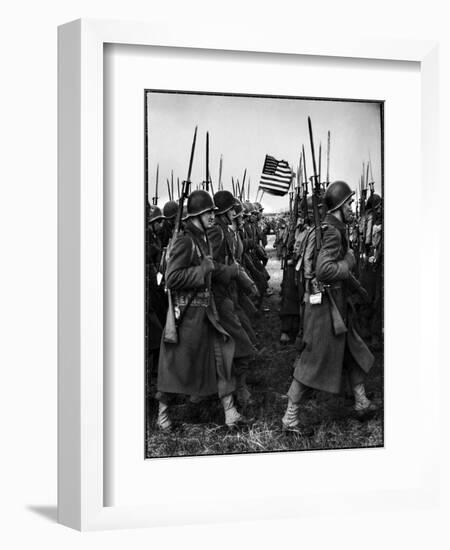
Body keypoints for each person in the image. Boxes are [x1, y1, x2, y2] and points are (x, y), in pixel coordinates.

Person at [282, 180, 376, 432]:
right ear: (341, 206)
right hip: (326, 309)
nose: (352, 208)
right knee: (313, 361)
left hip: (335, 304)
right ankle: (290, 418)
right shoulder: (332, 231)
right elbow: (325, 270)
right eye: (349, 204)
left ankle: (361, 401)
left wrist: (356, 286)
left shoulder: (330, 228)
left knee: (351, 351)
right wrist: (348, 262)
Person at [155, 190, 245, 431]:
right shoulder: (185, 241)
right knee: (176, 367)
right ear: (196, 215)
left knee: (221, 357)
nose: (212, 216)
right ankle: (162, 416)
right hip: (187, 317)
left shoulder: (202, 238)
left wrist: (223, 271)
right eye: (208, 212)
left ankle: (231, 413)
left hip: (206, 313)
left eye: (213, 212)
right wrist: (202, 270)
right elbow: (172, 278)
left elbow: (210, 268)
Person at [208, 190, 257, 406]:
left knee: (239, 343)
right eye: (232, 211)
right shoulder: (217, 232)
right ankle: (240, 391)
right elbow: (210, 264)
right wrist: (230, 270)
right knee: (241, 345)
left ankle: (238, 389)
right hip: (219, 297)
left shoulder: (223, 230)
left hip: (226, 294)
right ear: (227, 211)